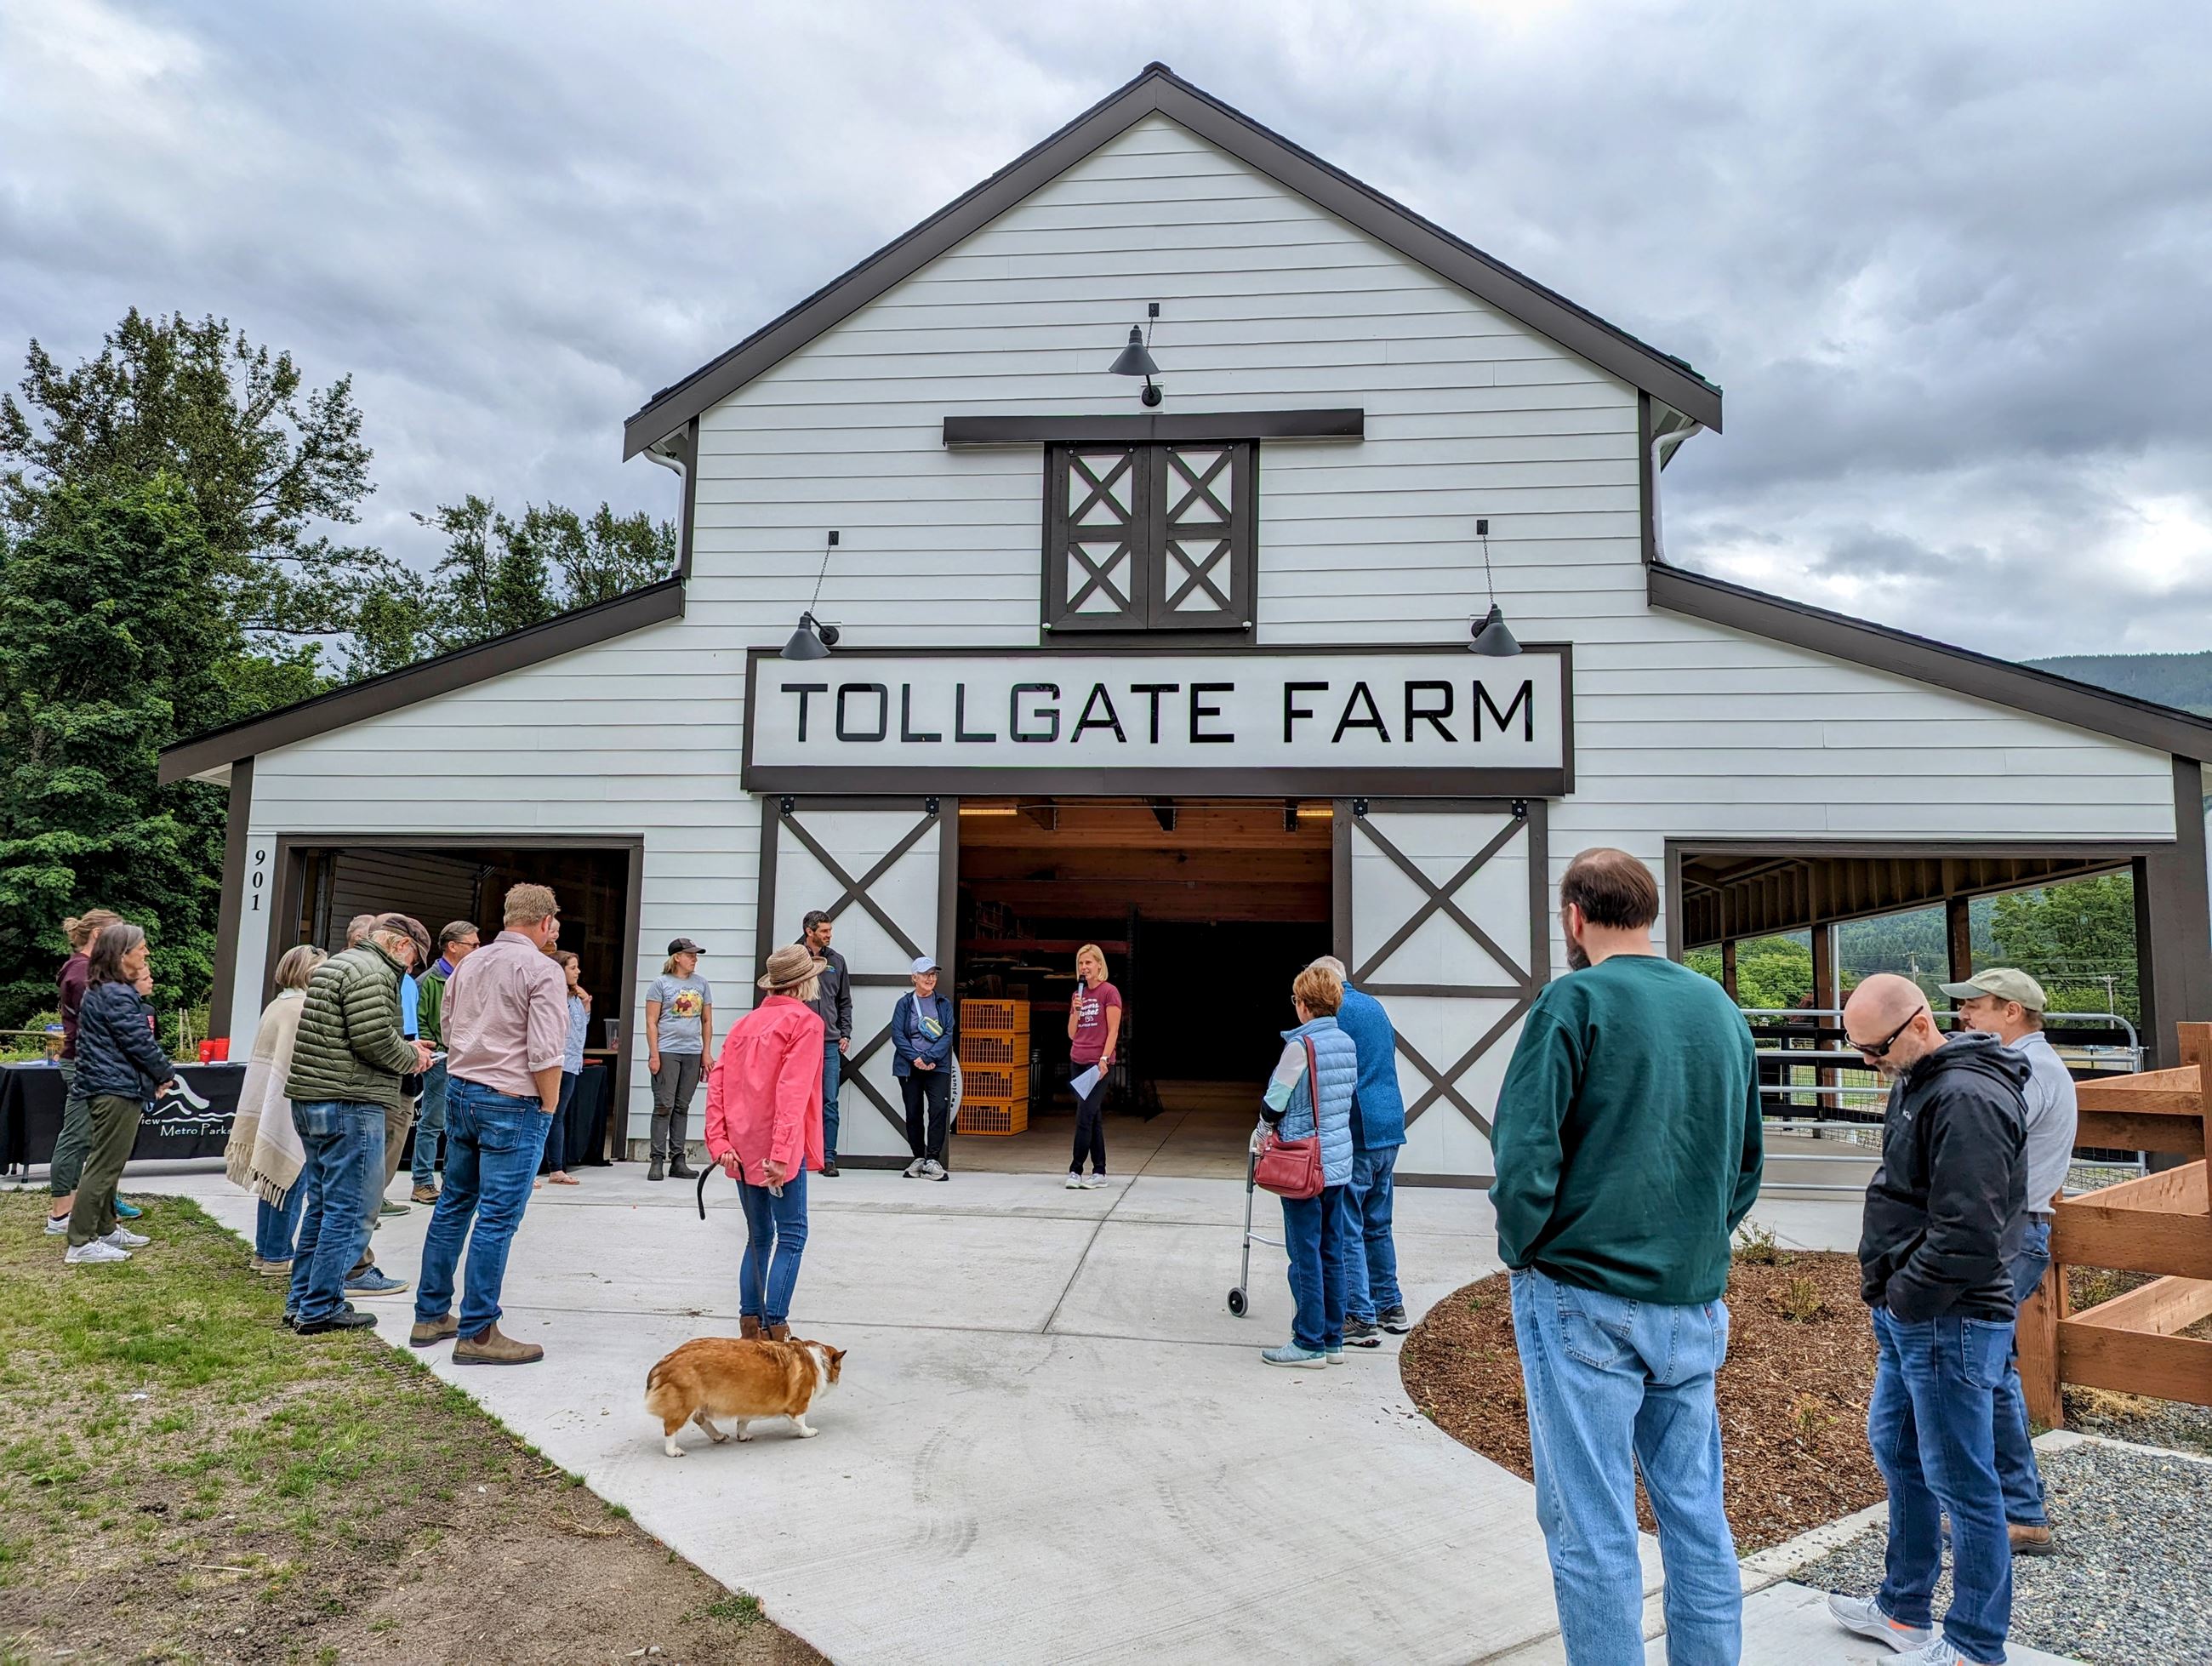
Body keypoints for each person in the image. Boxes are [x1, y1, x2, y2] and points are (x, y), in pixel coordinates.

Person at [1490, 847, 1763, 1666]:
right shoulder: (1719, 1008)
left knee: (1592, 1526)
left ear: (1573, 917)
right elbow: (1744, 1167)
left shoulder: (1572, 1000)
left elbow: (1524, 1156)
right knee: (1695, 1514)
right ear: (1649, 915)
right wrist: (1696, 1243)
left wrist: (1524, 1250)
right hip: (1691, 1299)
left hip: (1582, 1292)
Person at [1827, 973, 2029, 1666]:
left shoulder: (1966, 1096)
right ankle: (1904, 1610)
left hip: (1950, 1318)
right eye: (1860, 1051)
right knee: (1903, 1456)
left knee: (1965, 1483)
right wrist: (1890, 1297)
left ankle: (1975, 1644)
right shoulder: (1920, 1079)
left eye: (1875, 1049)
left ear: (1917, 1024)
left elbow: (1969, 1232)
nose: (1869, 1063)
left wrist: (1908, 1297)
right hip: (1911, 1315)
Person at [1942, 966, 2078, 1557]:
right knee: (1992, 1366)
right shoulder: (2036, 1067)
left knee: (1985, 1368)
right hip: (2018, 1231)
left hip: (2011, 1233)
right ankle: (2012, 1507)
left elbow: (1982, 1145)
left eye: (1976, 1006)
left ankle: (2019, 1511)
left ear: (2011, 1012)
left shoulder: (2028, 1071)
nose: (1965, 1016)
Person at [411, 883, 568, 1365]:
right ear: (545, 923)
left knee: (455, 1203)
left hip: (461, 1089)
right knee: (498, 1216)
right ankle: (479, 1331)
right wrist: (549, 1106)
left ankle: (431, 1313)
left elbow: (449, 1022)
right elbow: (545, 1049)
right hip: (511, 1098)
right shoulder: (542, 969)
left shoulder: (469, 964)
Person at [283, 914, 436, 1334]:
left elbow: (354, 1032)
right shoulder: (374, 971)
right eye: (413, 961)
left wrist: (403, 1045)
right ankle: (321, 1309)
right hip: (350, 1102)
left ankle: (302, 1301)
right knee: (352, 1211)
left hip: (314, 1099)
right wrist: (414, 1058)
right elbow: (371, 1040)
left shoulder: (340, 963)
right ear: (401, 945)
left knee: (323, 1208)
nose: (410, 969)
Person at [703, 943, 828, 1341]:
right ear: (805, 983)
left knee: (758, 1237)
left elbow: (717, 1084)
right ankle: (775, 1326)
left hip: (740, 1147)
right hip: (778, 1149)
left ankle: (750, 1326)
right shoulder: (805, 1023)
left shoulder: (744, 1024)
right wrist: (780, 1153)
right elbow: (792, 1092)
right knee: (792, 1235)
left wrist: (718, 1141)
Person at [63, 921, 188, 1264]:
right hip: (114, 1088)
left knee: (108, 1163)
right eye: (141, 947)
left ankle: (104, 1229)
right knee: (104, 1165)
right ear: (122, 955)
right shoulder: (117, 994)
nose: (146, 952)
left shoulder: (106, 989)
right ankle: (80, 1241)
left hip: (109, 1084)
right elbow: (139, 1044)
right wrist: (165, 1074)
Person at [1255, 961, 1360, 1367]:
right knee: (1332, 1250)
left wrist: (1263, 1129)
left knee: (1304, 1253)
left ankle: (1308, 1341)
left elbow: (1275, 1101)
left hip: (1304, 1164)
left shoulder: (1299, 1047)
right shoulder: (1347, 1043)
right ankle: (1332, 1338)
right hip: (1337, 1161)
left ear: (1304, 1005)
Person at [1309, 956, 1410, 1346]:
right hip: (1389, 1127)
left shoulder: (1338, 1013)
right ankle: (1391, 1306)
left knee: (1347, 1224)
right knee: (1378, 1223)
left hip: (1359, 1129)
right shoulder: (1375, 1007)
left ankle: (1358, 1314)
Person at [224, 944, 328, 1275]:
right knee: (289, 1180)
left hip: (274, 1102)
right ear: (310, 973)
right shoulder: (300, 1008)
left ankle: (265, 1249)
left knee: (272, 1181)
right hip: (290, 1108)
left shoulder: (278, 1005)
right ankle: (278, 1253)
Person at [44, 907, 128, 1236]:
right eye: (117, 935)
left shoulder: (89, 969)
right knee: (77, 1136)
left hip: (93, 1062)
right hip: (83, 1062)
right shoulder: (80, 973)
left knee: (95, 1140)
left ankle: (99, 1218)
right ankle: (61, 1212)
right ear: (97, 935)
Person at [411, 920, 481, 1202]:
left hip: (466, 1060)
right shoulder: (428, 981)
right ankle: (423, 1182)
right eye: (473, 944)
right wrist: (439, 1049)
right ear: (453, 946)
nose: (479, 948)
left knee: (459, 1125)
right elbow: (420, 1022)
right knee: (432, 1122)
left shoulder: (473, 977)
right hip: (441, 1060)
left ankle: (452, 1182)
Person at [645, 938, 713, 1182]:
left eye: (696, 955)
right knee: (664, 1105)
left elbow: (706, 1020)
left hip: (692, 1052)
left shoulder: (702, 984)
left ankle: (678, 1159)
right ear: (677, 957)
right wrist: (654, 1053)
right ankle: (656, 1159)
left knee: (682, 1106)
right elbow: (651, 1021)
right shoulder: (660, 984)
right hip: (667, 1051)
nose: (695, 959)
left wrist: (706, 1052)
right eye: (690, 955)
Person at [799, 910, 852, 1178]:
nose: (829, 936)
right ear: (810, 931)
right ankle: (796, 1155)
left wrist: (846, 1032)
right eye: (824, 931)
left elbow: (844, 1001)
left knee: (829, 1101)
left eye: (830, 931)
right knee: (796, 1100)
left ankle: (827, 1158)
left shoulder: (837, 961)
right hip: (799, 1043)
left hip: (830, 1043)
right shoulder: (793, 958)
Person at [892, 954, 955, 1180]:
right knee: (913, 1111)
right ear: (914, 977)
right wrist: (916, 1058)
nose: (930, 979)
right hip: (910, 1067)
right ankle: (918, 1156)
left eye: (933, 975)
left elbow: (948, 1034)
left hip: (937, 1066)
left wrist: (929, 1057)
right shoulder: (904, 1004)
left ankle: (933, 1159)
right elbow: (898, 1035)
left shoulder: (943, 1003)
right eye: (925, 975)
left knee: (938, 1109)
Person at [1065, 943, 1120, 1190]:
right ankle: (1100, 1171)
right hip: (1078, 1060)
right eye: (1080, 963)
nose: (1084, 967)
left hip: (1098, 1065)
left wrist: (1104, 1059)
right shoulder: (1078, 995)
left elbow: (1113, 1030)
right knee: (1093, 1117)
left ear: (1099, 965)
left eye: (1088, 962)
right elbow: (1071, 1033)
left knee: (1084, 1116)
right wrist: (1076, 1011)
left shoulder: (1109, 992)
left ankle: (1075, 1170)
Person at [539, 949, 589, 1186]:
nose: (577, 972)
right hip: (556, 1062)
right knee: (545, 1114)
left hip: (571, 1063)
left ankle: (556, 1169)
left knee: (557, 1116)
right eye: (572, 968)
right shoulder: (553, 997)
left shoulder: (575, 997)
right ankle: (535, 1168)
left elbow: (580, 1026)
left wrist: (586, 1003)